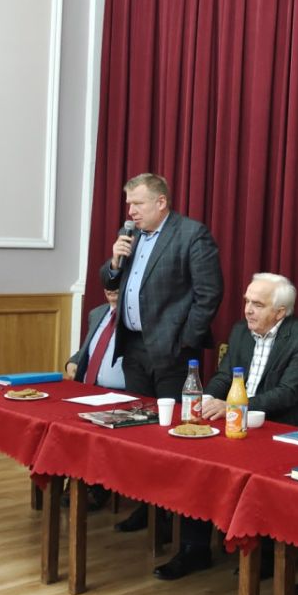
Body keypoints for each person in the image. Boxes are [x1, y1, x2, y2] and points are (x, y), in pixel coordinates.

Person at [153, 273, 298, 580]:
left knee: (254, 472)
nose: (248, 310)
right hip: (238, 422)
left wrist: (234, 407)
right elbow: (224, 376)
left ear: (280, 312)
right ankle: (194, 548)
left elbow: (288, 393)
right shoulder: (241, 331)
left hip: (280, 430)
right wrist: (206, 399)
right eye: (247, 301)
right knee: (198, 462)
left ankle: (266, 555)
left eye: (257, 304)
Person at [100, 172, 224, 533]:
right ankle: (147, 506)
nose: (131, 211)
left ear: (161, 202)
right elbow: (108, 281)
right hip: (134, 347)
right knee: (140, 432)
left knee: (173, 435)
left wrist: (184, 341)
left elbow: (209, 293)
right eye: (129, 204)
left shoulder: (191, 234)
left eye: (137, 204)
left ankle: (176, 515)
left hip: (172, 352)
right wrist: (114, 262)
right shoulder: (130, 235)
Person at [63, 287, 126, 511]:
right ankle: (69, 479)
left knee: (99, 435)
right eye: (107, 282)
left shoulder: (136, 317)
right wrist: (72, 362)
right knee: (64, 426)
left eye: (117, 282)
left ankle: (96, 487)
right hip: (89, 391)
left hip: (122, 394)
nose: (111, 288)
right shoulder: (97, 313)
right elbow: (88, 347)